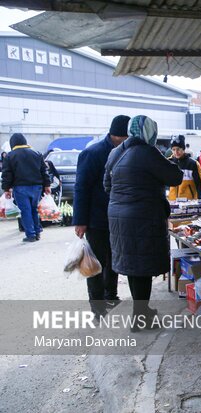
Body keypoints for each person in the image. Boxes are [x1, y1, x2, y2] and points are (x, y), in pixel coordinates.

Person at [104, 115, 183, 332]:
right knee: (142, 266)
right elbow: (174, 177)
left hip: (119, 216)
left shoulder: (115, 152)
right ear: (149, 132)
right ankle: (141, 317)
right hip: (142, 217)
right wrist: (172, 160)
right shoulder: (147, 152)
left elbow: (106, 185)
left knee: (133, 266)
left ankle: (141, 312)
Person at [73, 115, 130, 317]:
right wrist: (80, 221)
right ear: (119, 136)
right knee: (96, 263)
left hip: (118, 218)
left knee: (114, 259)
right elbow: (81, 188)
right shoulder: (93, 153)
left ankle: (111, 295)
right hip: (96, 218)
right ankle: (97, 307)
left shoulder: (125, 151)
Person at [1, 133, 50, 242]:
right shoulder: (36, 153)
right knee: (34, 209)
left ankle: (31, 235)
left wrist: (6, 189)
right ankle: (37, 232)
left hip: (21, 188)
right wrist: (47, 185)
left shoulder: (10, 156)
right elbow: (44, 171)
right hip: (37, 187)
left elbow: (7, 174)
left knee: (25, 211)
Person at [167, 135, 201, 200]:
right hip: (172, 201)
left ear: (183, 149)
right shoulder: (168, 162)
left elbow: (200, 183)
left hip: (189, 202)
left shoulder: (193, 164)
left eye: (178, 149)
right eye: (173, 149)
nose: (176, 152)